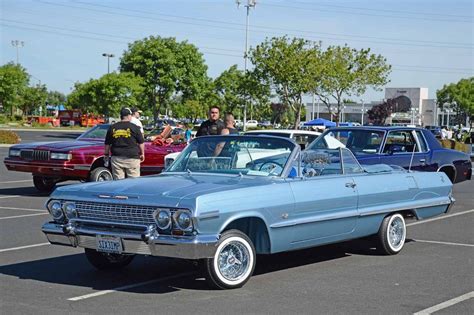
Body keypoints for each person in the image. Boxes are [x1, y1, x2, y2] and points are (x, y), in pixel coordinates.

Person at [104, 107, 145, 180]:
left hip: (117, 158)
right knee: (133, 182)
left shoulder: (112, 127)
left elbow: (107, 143)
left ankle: (120, 191)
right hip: (132, 158)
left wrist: (106, 154)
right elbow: (141, 142)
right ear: (129, 116)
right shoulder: (134, 127)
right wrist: (142, 153)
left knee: (119, 182)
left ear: (121, 116)